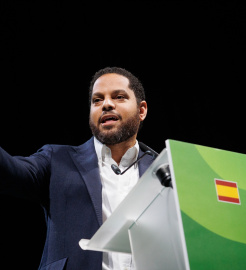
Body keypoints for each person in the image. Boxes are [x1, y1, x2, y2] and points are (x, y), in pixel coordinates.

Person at [0, 67, 157, 270]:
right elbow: (9, 173)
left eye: (119, 97)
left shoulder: (165, 171)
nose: (106, 104)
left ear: (141, 110)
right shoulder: (56, 160)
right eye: (97, 100)